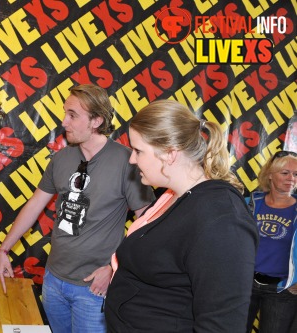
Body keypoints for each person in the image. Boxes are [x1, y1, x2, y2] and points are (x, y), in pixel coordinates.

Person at [0, 84, 155, 332]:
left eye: (72, 115)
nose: (64, 122)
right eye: (64, 113)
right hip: (53, 280)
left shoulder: (128, 160)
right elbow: (35, 204)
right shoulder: (61, 159)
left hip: (93, 288)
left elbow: (147, 223)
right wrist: (4, 248)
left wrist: (115, 267)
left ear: (97, 120)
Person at [104, 99, 258, 332]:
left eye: (138, 151)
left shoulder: (222, 219)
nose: (132, 160)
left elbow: (221, 326)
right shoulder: (172, 197)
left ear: (170, 154)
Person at [246, 150, 297, 333]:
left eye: (296, 174)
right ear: (269, 175)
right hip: (245, 285)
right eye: (285, 173)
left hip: (282, 290)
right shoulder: (249, 204)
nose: (291, 178)